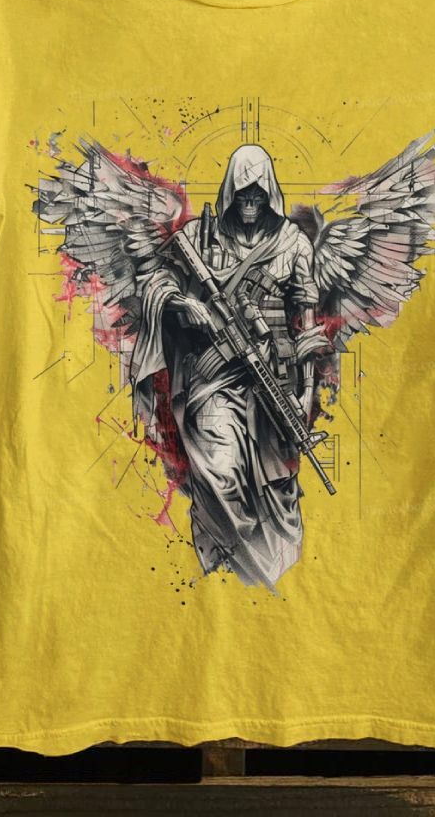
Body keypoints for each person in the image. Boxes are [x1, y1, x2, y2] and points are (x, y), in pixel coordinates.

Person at [130, 143, 327, 592]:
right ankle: (234, 571)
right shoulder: (201, 237)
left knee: (278, 484)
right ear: (230, 193)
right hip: (212, 379)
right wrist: (183, 303)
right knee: (220, 471)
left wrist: (304, 393)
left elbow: (308, 325)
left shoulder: (293, 243)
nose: (250, 202)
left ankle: (272, 578)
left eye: (258, 194)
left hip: (274, 375)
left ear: (270, 194)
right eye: (243, 194)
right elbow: (157, 282)